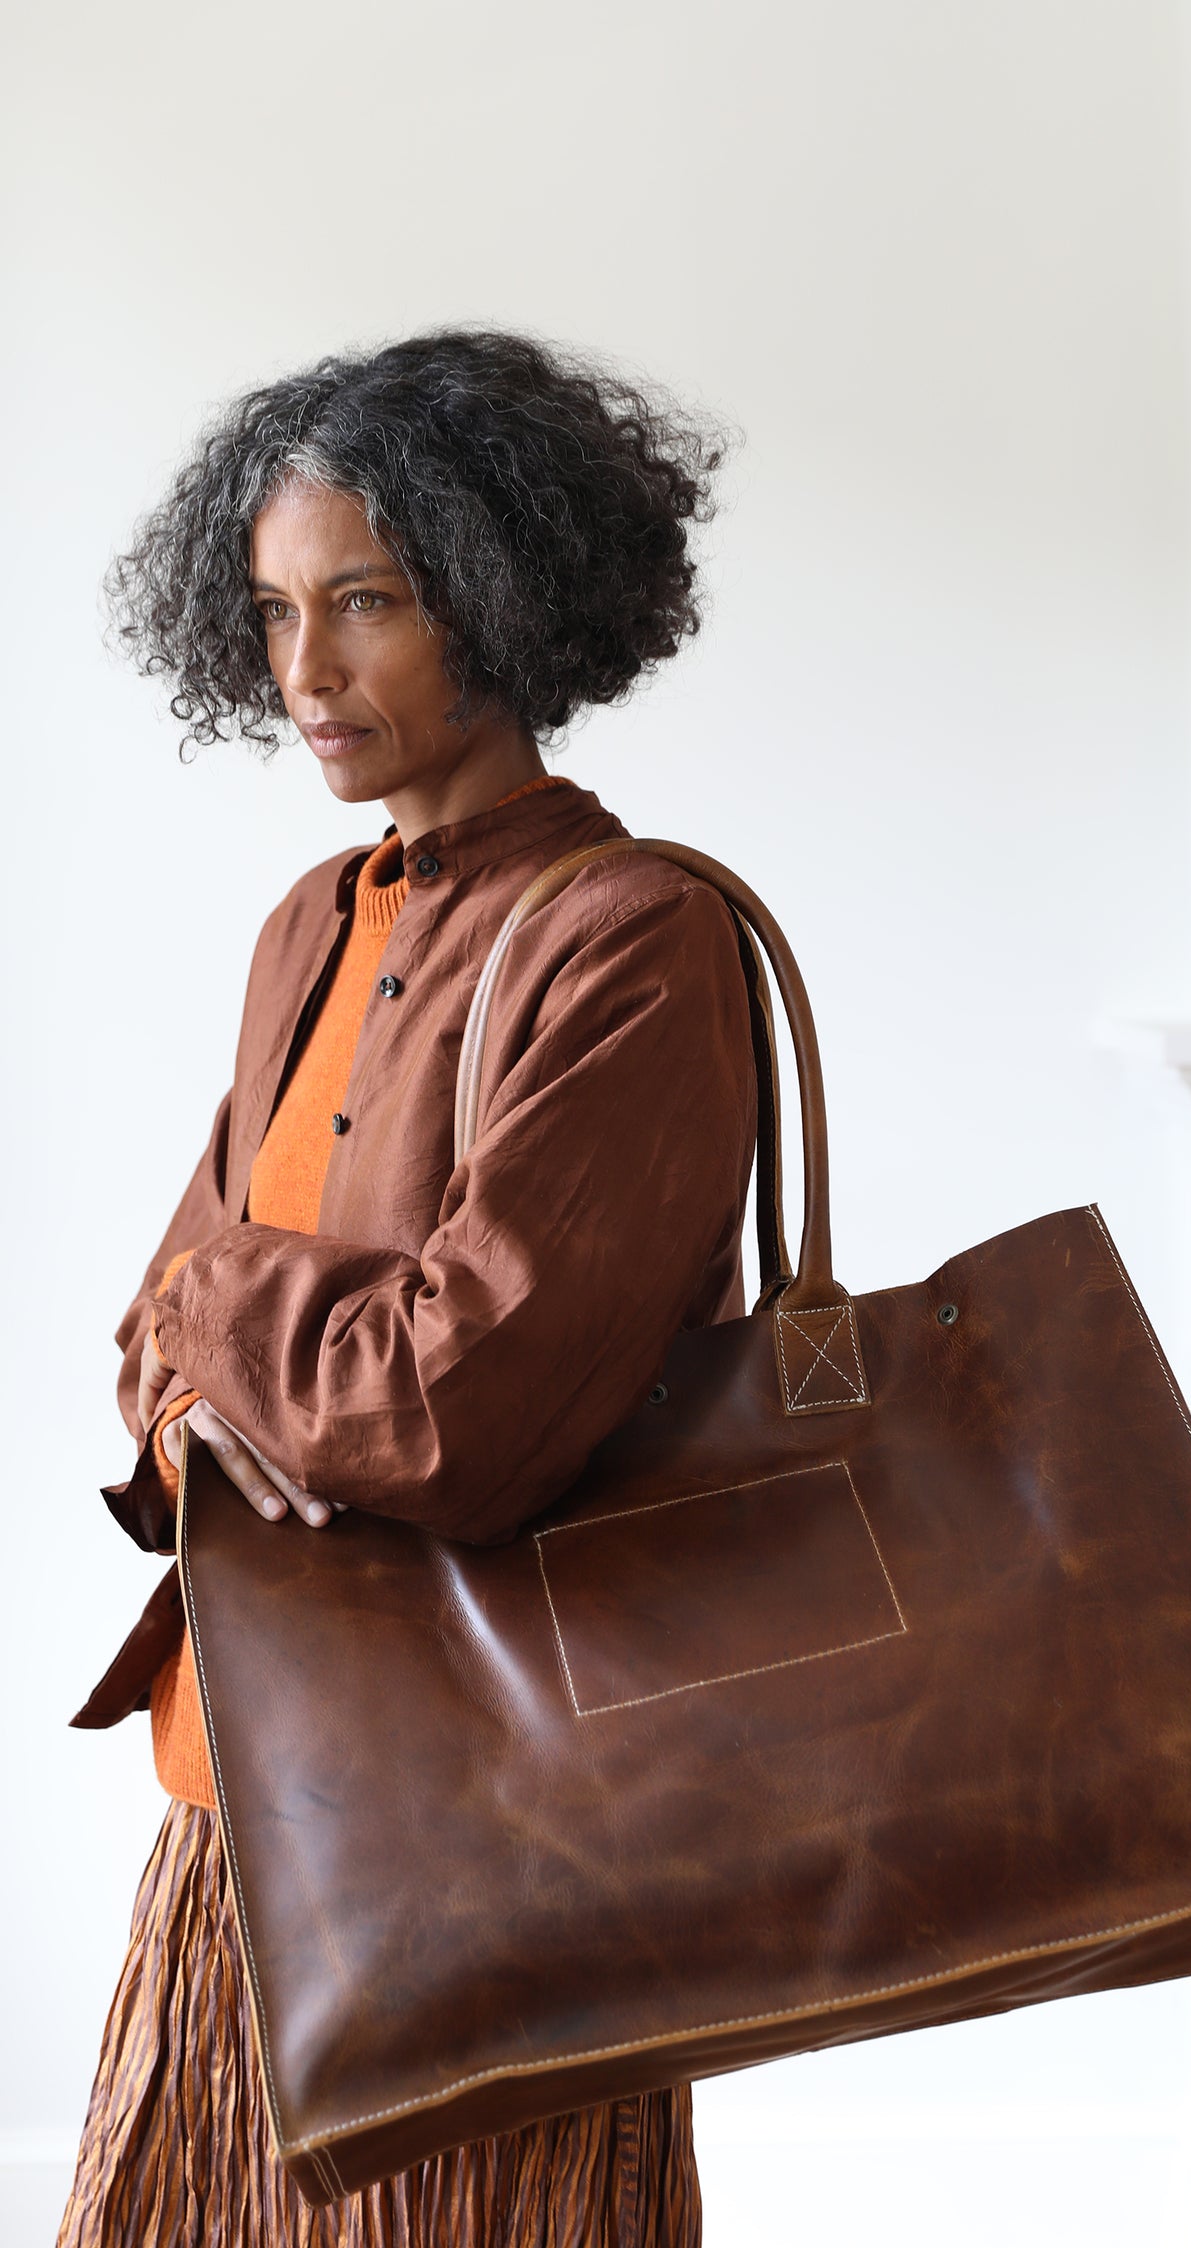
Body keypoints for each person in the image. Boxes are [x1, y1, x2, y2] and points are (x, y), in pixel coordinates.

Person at [60, 329, 758, 2248]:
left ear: (506, 593)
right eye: (276, 612)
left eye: (364, 602)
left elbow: (458, 1411)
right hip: (241, 1788)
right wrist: (224, 1338)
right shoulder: (310, 923)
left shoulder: (634, 944)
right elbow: (149, 1346)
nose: (305, 673)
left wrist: (224, 1325)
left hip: (497, 1837)